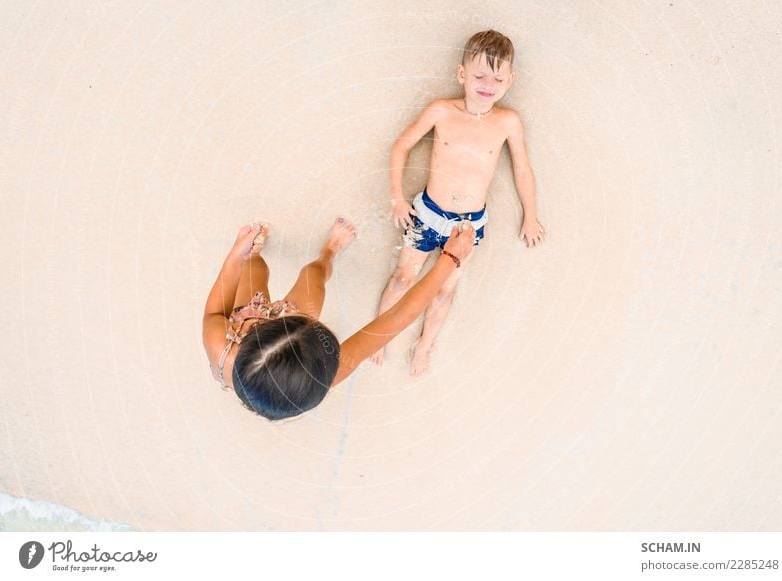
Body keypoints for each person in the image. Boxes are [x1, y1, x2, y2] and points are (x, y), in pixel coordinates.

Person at [371, 29, 545, 375]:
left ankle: (424, 345)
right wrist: (396, 198)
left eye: (497, 78)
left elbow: (523, 169)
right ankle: (379, 335)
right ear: (461, 74)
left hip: (468, 225)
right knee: (404, 277)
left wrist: (531, 215)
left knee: (444, 290)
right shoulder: (441, 111)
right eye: (479, 75)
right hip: (428, 213)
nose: (488, 84)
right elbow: (402, 145)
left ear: (509, 81)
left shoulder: (507, 121)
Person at [202, 218, 475, 421]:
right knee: (312, 276)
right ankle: (327, 254)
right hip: (261, 336)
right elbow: (396, 319)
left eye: (292, 316)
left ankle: (298, 255)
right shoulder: (327, 371)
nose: (287, 309)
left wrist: (238, 253)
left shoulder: (220, 345)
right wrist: (450, 259)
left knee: (254, 266)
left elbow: (215, 312)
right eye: (302, 318)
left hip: (248, 323)